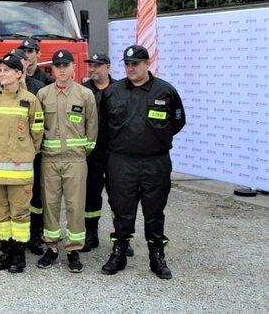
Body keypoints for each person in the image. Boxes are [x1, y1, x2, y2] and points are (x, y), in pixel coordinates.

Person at [101, 45, 185, 279]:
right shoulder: (113, 92)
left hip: (155, 162)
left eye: (135, 64)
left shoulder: (165, 91)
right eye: (127, 64)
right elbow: (104, 126)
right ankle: (119, 252)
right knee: (121, 210)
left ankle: (156, 256)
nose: (130, 68)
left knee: (154, 211)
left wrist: (154, 140)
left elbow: (177, 122)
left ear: (147, 63)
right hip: (121, 162)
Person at [35, 50, 97, 272]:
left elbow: (92, 127)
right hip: (49, 160)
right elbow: (38, 126)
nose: (61, 70)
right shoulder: (43, 94)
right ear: (52, 69)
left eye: (65, 65)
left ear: (73, 68)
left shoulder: (84, 94)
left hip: (75, 161)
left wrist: (83, 151)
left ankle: (73, 250)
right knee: (50, 204)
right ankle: (51, 249)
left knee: (75, 205)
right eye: (57, 65)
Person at [0, 52, 44, 273]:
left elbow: (37, 135)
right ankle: (6, 251)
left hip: (19, 170)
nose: (1, 74)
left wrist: (24, 152)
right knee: (0, 212)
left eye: (6, 70)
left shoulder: (30, 100)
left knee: (19, 214)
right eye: (0, 70)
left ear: (19, 74)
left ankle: (19, 255)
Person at [81, 52, 125, 254]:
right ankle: (91, 234)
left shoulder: (120, 90)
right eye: (90, 66)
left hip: (116, 153)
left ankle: (122, 238)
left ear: (108, 67)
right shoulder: (83, 91)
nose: (92, 69)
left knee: (119, 196)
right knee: (91, 196)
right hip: (92, 153)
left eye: (97, 66)